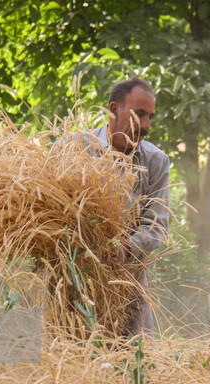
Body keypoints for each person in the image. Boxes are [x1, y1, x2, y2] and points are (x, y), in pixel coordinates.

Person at [85, 77, 170, 338]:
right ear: (114, 109)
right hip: (75, 285)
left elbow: (156, 225)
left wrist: (127, 248)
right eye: (139, 114)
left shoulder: (155, 161)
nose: (145, 125)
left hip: (128, 289)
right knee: (68, 366)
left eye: (150, 117)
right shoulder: (74, 149)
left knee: (134, 367)